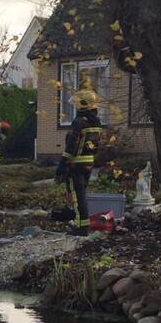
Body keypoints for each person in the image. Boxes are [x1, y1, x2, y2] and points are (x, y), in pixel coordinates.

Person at [57, 89, 101, 236]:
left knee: (76, 195)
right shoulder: (96, 123)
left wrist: (62, 164)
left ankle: (81, 227)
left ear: (84, 105)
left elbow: (71, 144)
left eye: (78, 104)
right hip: (89, 163)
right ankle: (83, 223)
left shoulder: (79, 122)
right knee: (82, 195)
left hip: (75, 164)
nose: (76, 107)